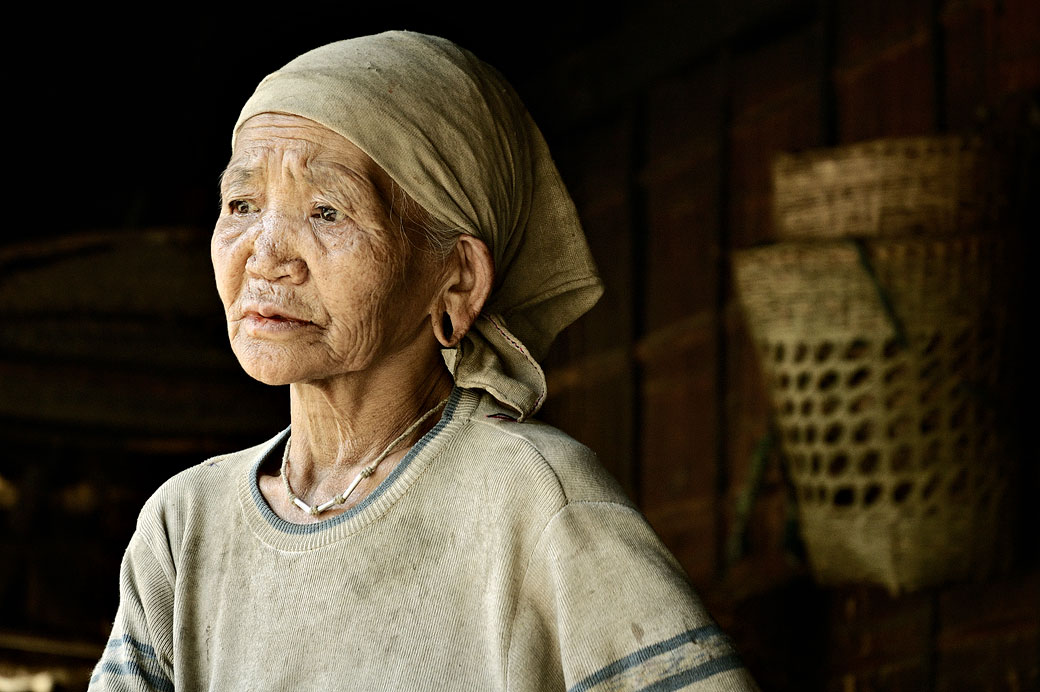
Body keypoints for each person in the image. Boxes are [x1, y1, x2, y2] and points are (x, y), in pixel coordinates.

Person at [89, 31, 759, 691]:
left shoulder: (535, 502)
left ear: (458, 280)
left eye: (326, 211)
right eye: (242, 204)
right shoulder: (185, 527)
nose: (264, 255)